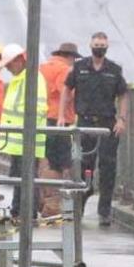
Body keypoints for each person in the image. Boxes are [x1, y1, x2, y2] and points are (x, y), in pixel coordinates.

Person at [59, 32, 128, 227]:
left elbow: (123, 95)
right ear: (90, 45)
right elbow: (66, 89)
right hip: (85, 123)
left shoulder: (114, 70)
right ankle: (79, 207)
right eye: (96, 44)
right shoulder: (80, 67)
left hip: (107, 124)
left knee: (108, 168)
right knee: (82, 166)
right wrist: (63, 115)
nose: (99, 48)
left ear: (107, 47)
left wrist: (121, 119)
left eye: (102, 45)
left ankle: (104, 211)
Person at [0, 43, 47, 220]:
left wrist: (26, 129)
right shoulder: (21, 78)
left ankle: (27, 213)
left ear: (19, 61)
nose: (8, 69)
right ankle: (18, 210)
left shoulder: (32, 78)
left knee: (26, 178)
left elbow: (39, 108)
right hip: (18, 141)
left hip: (26, 140)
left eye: (9, 64)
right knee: (20, 178)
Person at [38, 42, 81, 216]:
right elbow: (65, 92)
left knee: (45, 160)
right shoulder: (65, 70)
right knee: (58, 163)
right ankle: (53, 206)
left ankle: (42, 202)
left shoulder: (43, 67)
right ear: (70, 57)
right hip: (58, 120)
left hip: (42, 117)